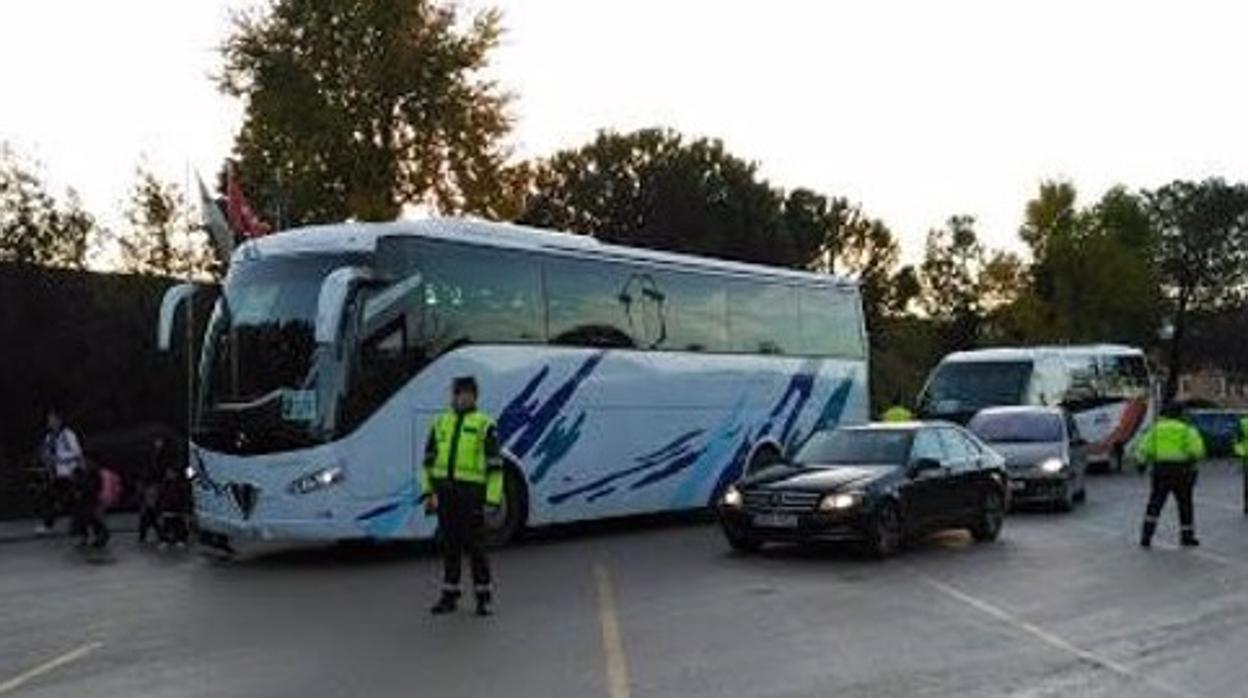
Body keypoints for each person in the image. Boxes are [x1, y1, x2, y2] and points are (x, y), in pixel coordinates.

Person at [420, 376, 505, 617]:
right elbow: (427, 463)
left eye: (468, 393)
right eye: (459, 393)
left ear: (475, 396)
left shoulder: (485, 425)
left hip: (472, 495)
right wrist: (429, 493)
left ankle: (484, 598)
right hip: (446, 494)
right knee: (450, 547)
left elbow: (495, 467)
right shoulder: (439, 423)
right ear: (453, 395)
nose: (463, 397)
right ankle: (449, 596)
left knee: (476, 548)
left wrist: (492, 500)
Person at [1136, 403, 1206, 548]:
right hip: (1182, 471)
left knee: (1155, 503)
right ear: (1180, 414)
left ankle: (1146, 536)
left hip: (1160, 470)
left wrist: (1141, 464)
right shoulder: (1186, 430)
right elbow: (1197, 450)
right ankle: (1187, 537)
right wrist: (1192, 459)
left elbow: (1143, 448)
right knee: (1185, 504)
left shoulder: (1155, 429)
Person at [35, 408, 85, 536]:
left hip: (69, 473)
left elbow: (76, 452)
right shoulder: (49, 437)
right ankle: (51, 524)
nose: (50, 422)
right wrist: (46, 459)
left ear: (59, 421)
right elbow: (46, 453)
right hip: (56, 474)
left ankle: (76, 525)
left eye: (52, 419)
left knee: (69, 501)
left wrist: (59, 457)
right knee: (51, 498)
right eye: (49, 420)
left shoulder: (68, 435)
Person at [73, 459, 110, 550]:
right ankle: (99, 537)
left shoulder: (89, 477)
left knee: (90, 520)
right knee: (89, 521)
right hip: (89, 502)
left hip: (88, 503)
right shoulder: (91, 476)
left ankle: (100, 536)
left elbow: (90, 489)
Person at [1235, 414, 1248, 515]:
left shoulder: (1243, 422)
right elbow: (1238, 440)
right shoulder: (1243, 422)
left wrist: (1241, 452)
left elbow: (1237, 439)